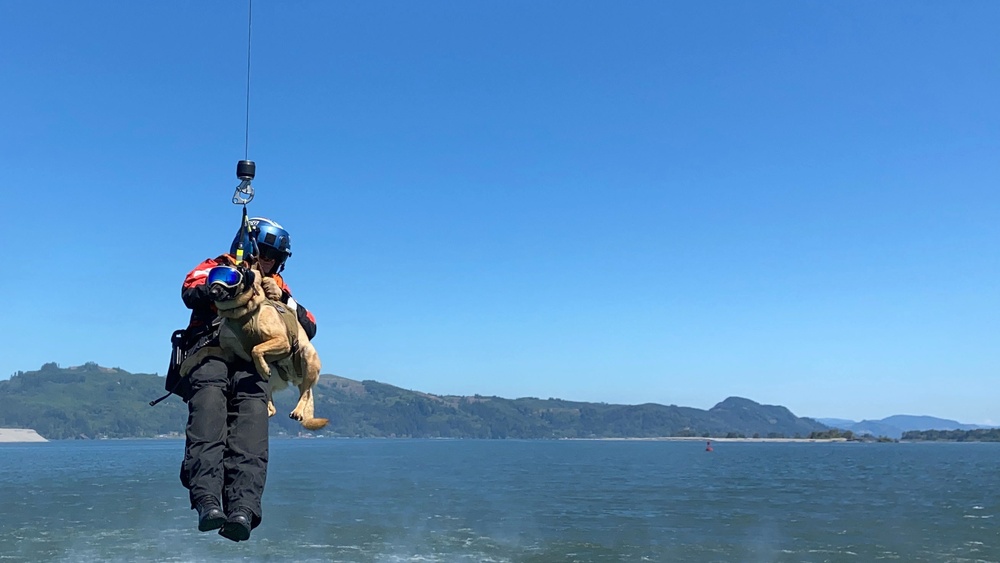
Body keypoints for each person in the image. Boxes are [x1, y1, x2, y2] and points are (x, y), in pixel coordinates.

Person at [174, 217, 317, 542]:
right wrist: (229, 285)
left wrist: (280, 298)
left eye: (269, 257)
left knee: (251, 429)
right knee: (209, 413)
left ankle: (243, 509)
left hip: (252, 363)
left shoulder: (278, 288)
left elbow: (308, 325)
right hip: (209, 353)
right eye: (257, 253)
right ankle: (208, 502)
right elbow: (191, 290)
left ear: (278, 262)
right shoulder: (216, 267)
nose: (262, 261)